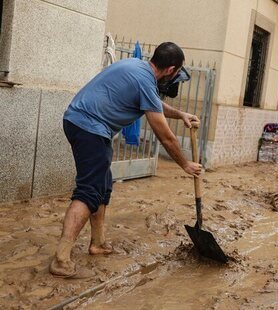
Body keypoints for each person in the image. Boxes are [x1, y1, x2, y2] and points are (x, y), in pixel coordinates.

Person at [49, 42, 202, 278]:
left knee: (102, 185)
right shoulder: (144, 80)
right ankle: (61, 258)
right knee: (89, 192)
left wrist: (179, 114)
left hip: (80, 121)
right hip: (90, 128)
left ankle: (98, 243)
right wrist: (185, 163)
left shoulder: (137, 67)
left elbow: (152, 101)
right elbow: (165, 136)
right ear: (170, 70)